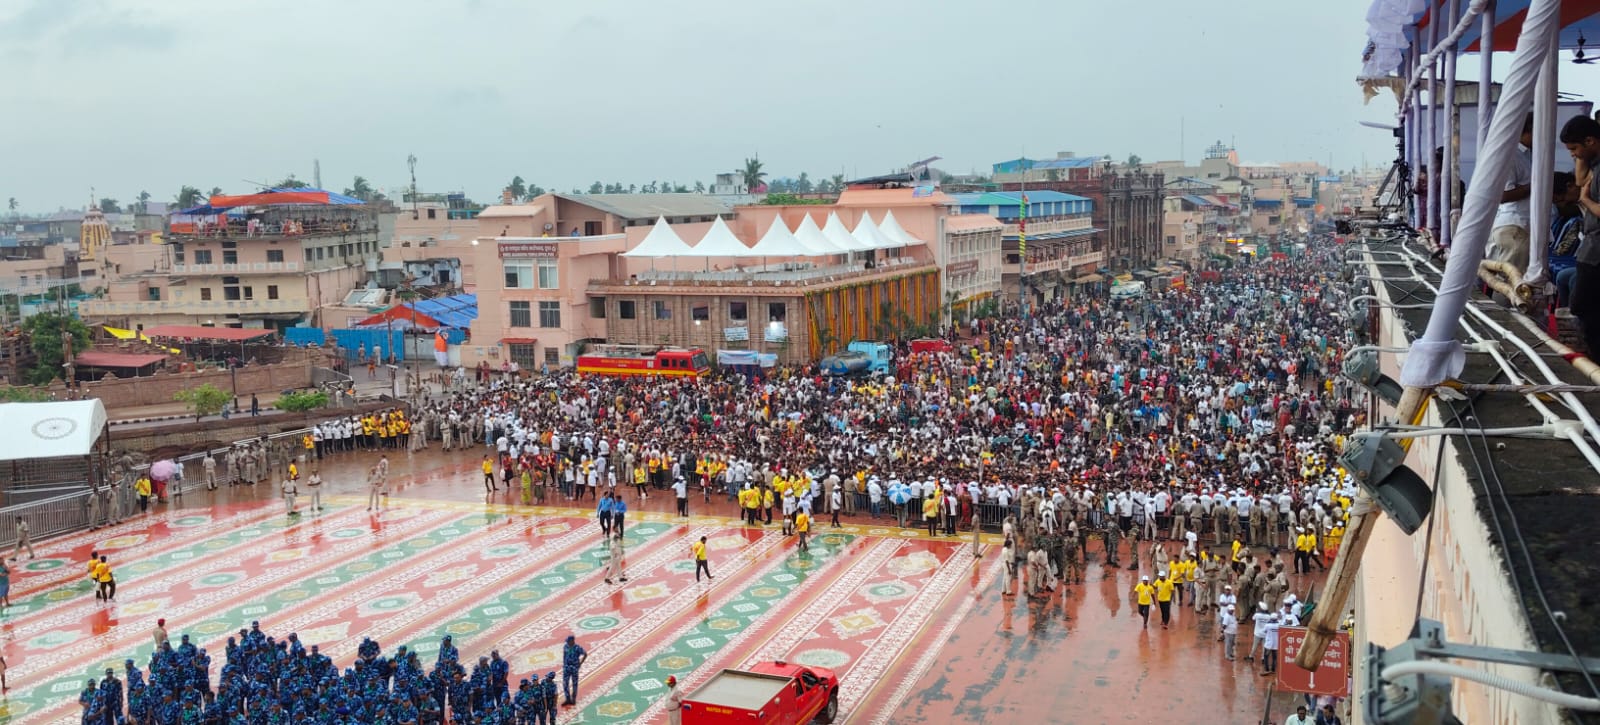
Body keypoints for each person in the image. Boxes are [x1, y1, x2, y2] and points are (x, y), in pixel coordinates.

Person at [1560, 115, 1600, 354]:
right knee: (1585, 307)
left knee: (1584, 307)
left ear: (1590, 140)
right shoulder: (1593, 164)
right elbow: (1579, 179)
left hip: (1596, 251)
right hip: (1593, 249)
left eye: (1574, 149)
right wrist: (1580, 155)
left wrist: (1585, 199)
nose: (1572, 154)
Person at [1485, 114, 1535, 294]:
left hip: (1521, 225)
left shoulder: (1527, 155)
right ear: (1528, 131)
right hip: (1515, 225)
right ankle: (1504, 318)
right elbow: (1502, 195)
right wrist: (1535, 185)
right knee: (1512, 280)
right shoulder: (1511, 156)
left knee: (1514, 279)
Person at [560, 635, 586, 707]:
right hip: (566, 668)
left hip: (574, 668)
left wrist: (580, 663)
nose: (567, 642)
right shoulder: (566, 646)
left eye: (568, 641)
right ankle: (567, 698)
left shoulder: (577, 648)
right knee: (565, 683)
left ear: (572, 641)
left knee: (574, 684)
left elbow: (585, 654)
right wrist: (564, 664)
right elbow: (564, 655)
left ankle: (573, 698)